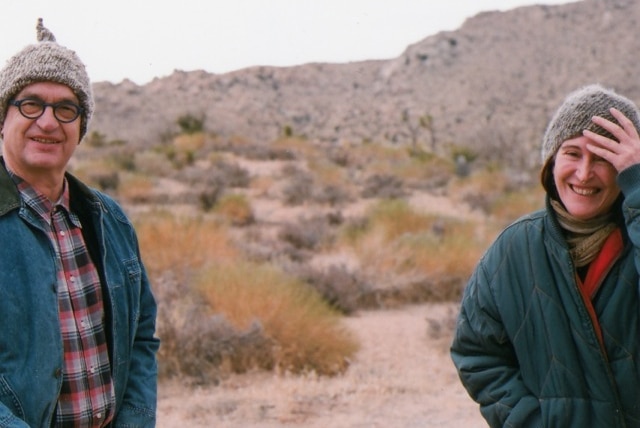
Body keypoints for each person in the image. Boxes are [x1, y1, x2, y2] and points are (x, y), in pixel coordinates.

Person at [450, 84, 640, 427]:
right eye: (572, 153)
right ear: (551, 162)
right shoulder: (513, 249)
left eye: (602, 157)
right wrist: (529, 421)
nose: (584, 173)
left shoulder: (633, 240)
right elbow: (477, 353)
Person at [0, 19, 159, 427]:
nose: (48, 122)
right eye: (30, 104)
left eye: (66, 109)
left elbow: (141, 337)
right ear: (3, 119)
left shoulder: (109, 220)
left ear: (80, 127)